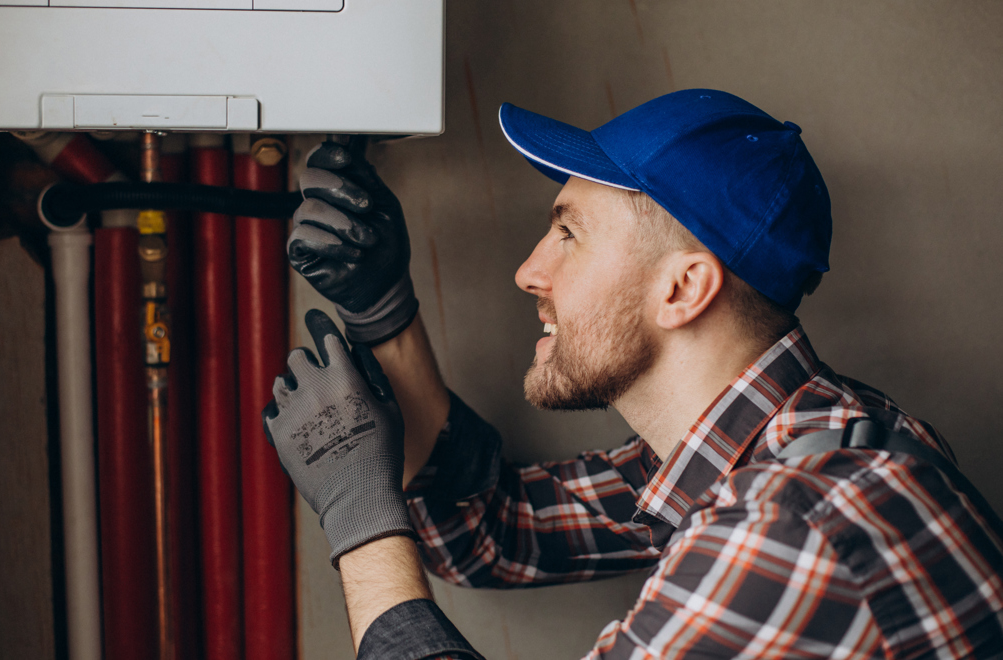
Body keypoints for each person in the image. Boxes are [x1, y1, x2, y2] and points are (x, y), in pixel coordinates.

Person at [262, 89, 1003, 659]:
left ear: (683, 290)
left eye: (568, 234)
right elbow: (489, 533)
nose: (528, 271)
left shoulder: (793, 523)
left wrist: (360, 515)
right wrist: (386, 313)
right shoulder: (795, 435)